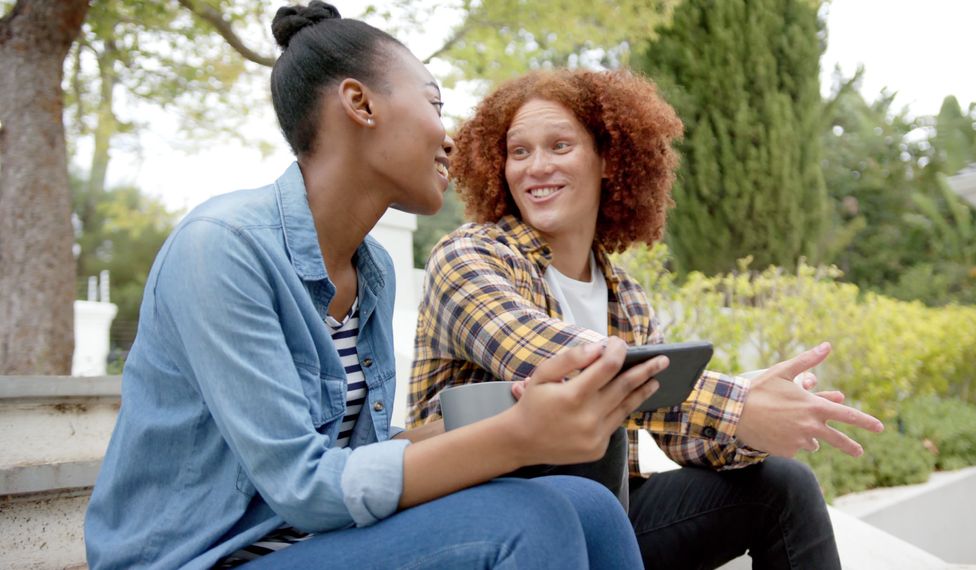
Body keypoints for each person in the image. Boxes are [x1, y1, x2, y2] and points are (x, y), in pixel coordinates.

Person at [83, 5, 662, 569]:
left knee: (590, 505)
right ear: (360, 103)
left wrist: (491, 417)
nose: (451, 138)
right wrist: (516, 438)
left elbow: (357, 458)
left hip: (317, 543)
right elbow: (305, 485)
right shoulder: (221, 247)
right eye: (435, 103)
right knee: (528, 520)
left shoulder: (372, 270)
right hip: (205, 555)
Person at [408, 68, 886, 569]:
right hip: (486, 520)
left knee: (783, 487)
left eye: (560, 146)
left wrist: (755, 424)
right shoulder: (468, 256)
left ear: (609, 160)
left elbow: (679, 432)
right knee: (592, 422)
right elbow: (561, 362)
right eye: (519, 152)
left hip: (605, 513)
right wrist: (738, 401)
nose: (535, 167)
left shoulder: (626, 296)